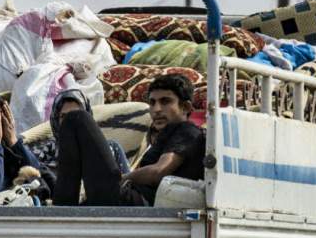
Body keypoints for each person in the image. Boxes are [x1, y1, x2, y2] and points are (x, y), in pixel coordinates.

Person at [53, 74, 205, 206]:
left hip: (133, 202)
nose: (157, 109)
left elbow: (159, 171)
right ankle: (62, 210)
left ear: (185, 107)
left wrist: (125, 177)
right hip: (127, 199)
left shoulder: (187, 130)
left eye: (165, 102)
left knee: (77, 118)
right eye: (152, 103)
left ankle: (61, 209)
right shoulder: (163, 136)